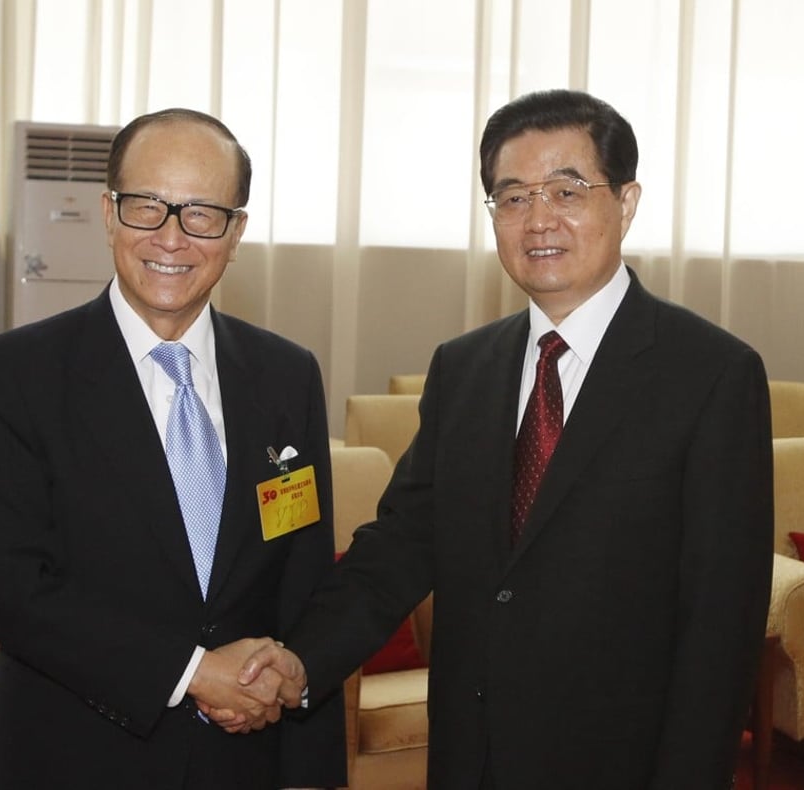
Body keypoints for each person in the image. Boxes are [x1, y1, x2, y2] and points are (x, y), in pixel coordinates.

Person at [235, 89, 774, 788]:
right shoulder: (463, 368)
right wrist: (300, 660)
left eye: (567, 190)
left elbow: (720, 627)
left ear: (628, 201)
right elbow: (403, 544)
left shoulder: (712, 375)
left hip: (620, 763)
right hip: (471, 755)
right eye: (512, 197)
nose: (538, 218)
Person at [0, 108, 345, 789]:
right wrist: (193, 672)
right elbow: (13, 593)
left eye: (202, 213)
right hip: (78, 756)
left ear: (237, 231)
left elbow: (301, 576)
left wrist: (311, 767)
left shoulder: (287, 376)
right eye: (147, 207)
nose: (172, 237)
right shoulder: (13, 376)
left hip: (243, 757)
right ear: (108, 214)